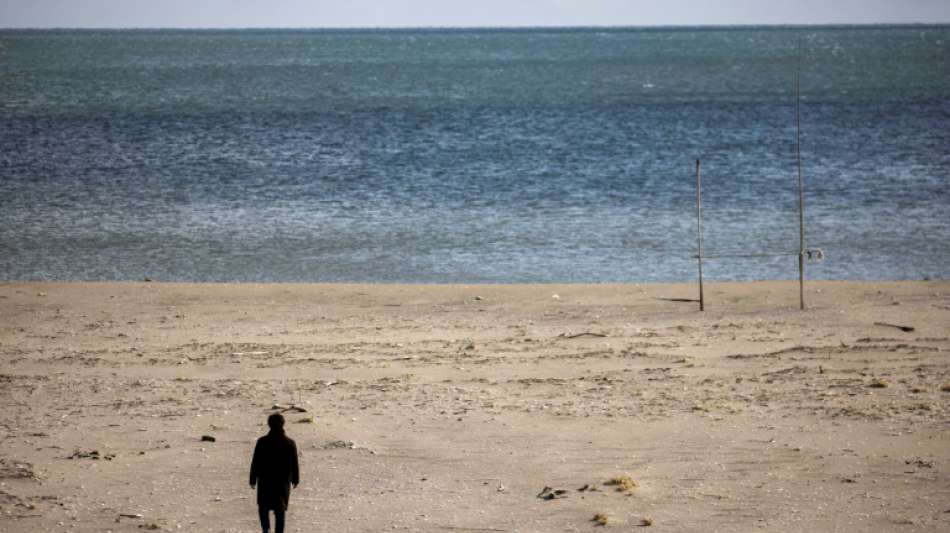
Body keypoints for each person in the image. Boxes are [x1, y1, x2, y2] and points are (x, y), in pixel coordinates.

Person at [249, 413, 300, 533]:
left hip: (265, 480)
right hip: (282, 482)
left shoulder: (262, 441)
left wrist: (252, 479)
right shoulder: (289, 443)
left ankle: (266, 529)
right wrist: (295, 479)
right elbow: (295, 463)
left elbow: (255, 462)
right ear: (283, 424)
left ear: (269, 424)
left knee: (263, 507)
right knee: (280, 509)